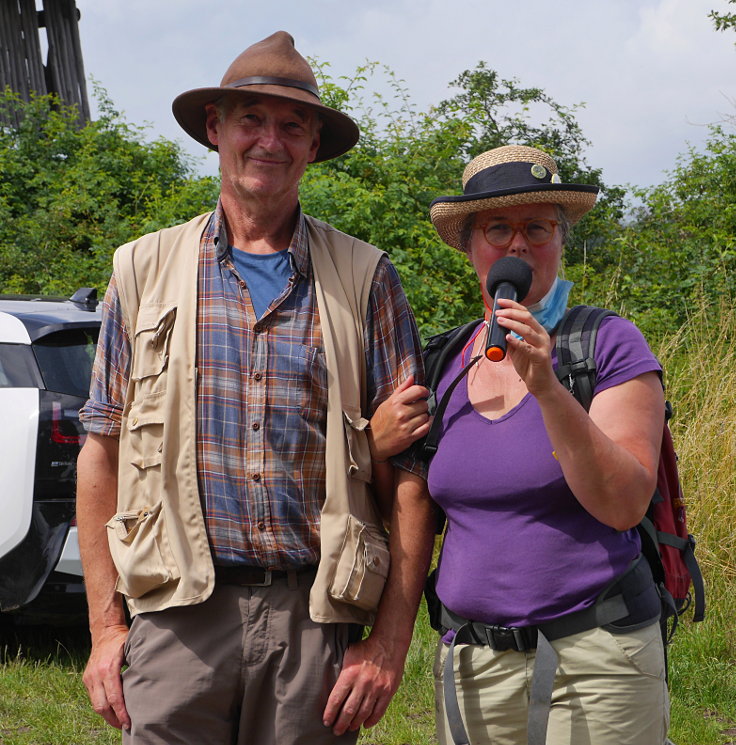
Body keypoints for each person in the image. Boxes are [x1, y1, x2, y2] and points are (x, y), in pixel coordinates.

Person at [76, 31, 434, 745]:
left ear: (311, 145)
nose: (269, 140)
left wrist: (389, 643)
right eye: (251, 120)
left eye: (291, 125)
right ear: (216, 129)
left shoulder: (366, 277)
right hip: (177, 619)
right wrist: (107, 627)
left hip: (314, 619)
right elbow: (101, 453)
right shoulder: (142, 268)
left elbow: (412, 478)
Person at [396, 144, 670, 745]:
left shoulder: (609, 344)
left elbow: (623, 503)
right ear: (470, 247)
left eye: (538, 228)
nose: (518, 245)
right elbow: (410, 506)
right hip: (471, 662)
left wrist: (547, 388)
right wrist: (376, 441)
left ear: (560, 242)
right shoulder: (441, 362)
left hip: (596, 657)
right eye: (498, 228)